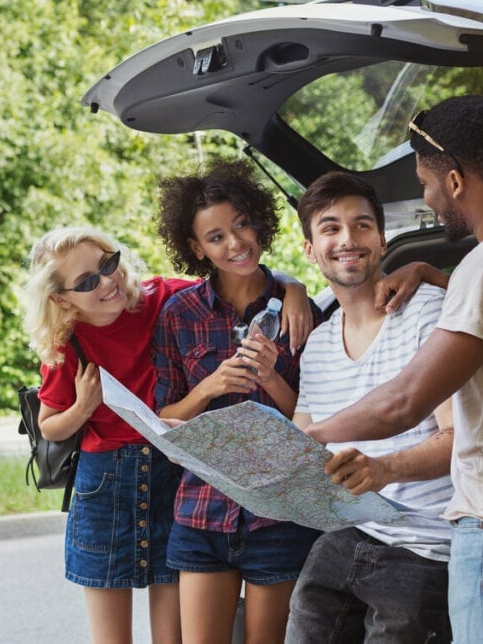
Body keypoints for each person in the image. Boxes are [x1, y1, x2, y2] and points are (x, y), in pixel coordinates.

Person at [307, 94, 483, 644]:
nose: (428, 198)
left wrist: (309, 433)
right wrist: (434, 273)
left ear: (457, 182)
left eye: (427, 184)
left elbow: (406, 402)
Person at [24, 225, 313, 644]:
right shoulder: (65, 343)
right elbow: (50, 425)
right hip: (106, 482)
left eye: (109, 264)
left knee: (172, 634)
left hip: (170, 470)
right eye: (88, 281)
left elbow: (239, 278)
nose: (109, 282)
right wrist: (84, 408)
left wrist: (295, 286)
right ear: (59, 299)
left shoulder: (161, 298)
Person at [152, 158, 322, 644]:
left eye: (242, 224)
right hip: (202, 512)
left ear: (260, 222)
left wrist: (270, 377)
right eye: (216, 236)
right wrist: (210, 387)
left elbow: (316, 423)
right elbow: (163, 420)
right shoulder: (178, 313)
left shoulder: (301, 310)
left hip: (280, 513)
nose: (235, 243)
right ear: (196, 248)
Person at [285, 171, 454, 643]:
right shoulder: (316, 345)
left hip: (429, 544)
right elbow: (300, 448)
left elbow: (460, 440)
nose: (347, 239)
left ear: (382, 240)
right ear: (310, 249)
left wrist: (384, 469)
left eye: (361, 226)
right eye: (330, 228)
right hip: (348, 535)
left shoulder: (430, 313)